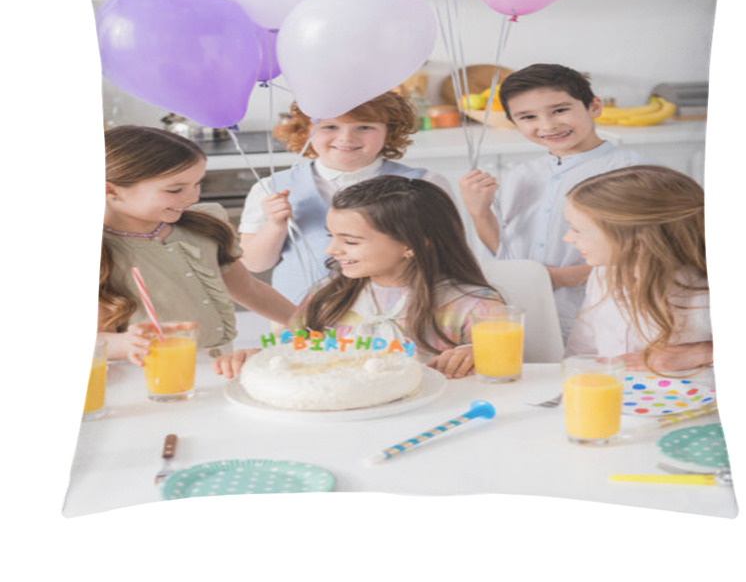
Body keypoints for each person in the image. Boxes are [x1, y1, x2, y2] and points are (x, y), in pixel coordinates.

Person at [215, 176, 506, 380]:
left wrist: (476, 353)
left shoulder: (472, 306)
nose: (332, 250)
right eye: (332, 236)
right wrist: (259, 357)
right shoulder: (328, 295)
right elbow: (293, 351)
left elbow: (508, 371)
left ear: (413, 245)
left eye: (350, 241)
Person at [459, 63, 650, 341]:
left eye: (560, 110)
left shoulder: (635, 171)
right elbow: (505, 251)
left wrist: (561, 278)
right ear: (514, 122)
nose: (548, 125)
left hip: (604, 314)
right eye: (528, 117)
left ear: (594, 106)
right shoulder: (521, 175)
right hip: (529, 311)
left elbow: (652, 254)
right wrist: (479, 212)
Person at [100, 125, 295, 363]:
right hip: (146, 377)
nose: (192, 197)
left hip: (220, 365)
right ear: (110, 189)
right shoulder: (102, 252)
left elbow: (248, 289)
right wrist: (123, 344)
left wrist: (308, 323)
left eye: (197, 183)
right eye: (175, 189)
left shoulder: (203, 229)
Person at [238, 91, 452, 304]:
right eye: (330, 126)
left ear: (390, 131)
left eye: (365, 127)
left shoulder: (425, 184)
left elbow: (447, 256)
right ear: (306, 131)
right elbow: (254, 264)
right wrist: (275, 225)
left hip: (400, 314)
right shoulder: (270, 188)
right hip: (298, 318)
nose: (346, 138)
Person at [563, 165, 713, 374]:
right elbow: (582, 346)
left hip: (691, 399)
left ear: (637, 239)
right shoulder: (602, 275)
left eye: (577, 229)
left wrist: (700, 352)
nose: (568, 238)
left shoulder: (703, 292)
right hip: (616, 397)